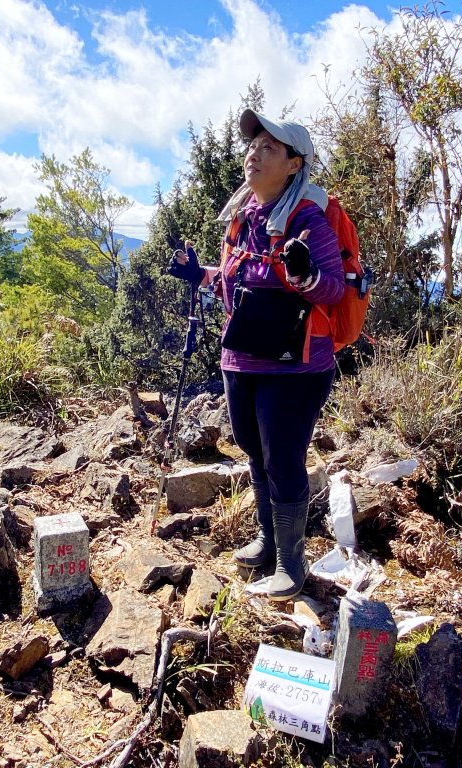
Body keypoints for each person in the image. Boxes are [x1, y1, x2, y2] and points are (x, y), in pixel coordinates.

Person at [169, 109, 344, 601]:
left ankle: (292, 564)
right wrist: (198, 274)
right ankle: (269, 540)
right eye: (254, 145)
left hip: (295, 365)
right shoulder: (244, 218)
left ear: (294, 165)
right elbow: (233, 280)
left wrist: (305, 273)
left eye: (270, 148)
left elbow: (331, 289)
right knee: (251, 446)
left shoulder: (307, 220)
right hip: (242, 358)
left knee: (283, 457)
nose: (255, 153)